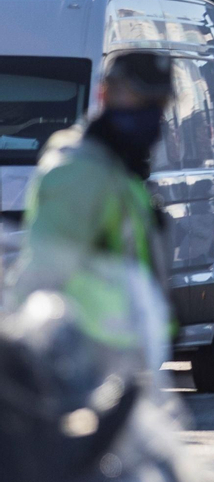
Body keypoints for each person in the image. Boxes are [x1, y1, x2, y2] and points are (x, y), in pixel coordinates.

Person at [11, 51, 173, 360]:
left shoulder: (121, 171)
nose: (151, 111)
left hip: (116, 367)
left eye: (159, 102)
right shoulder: (80, 171)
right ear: (104, 93)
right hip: (78, 365)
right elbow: (41, 279)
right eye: (138, 97)